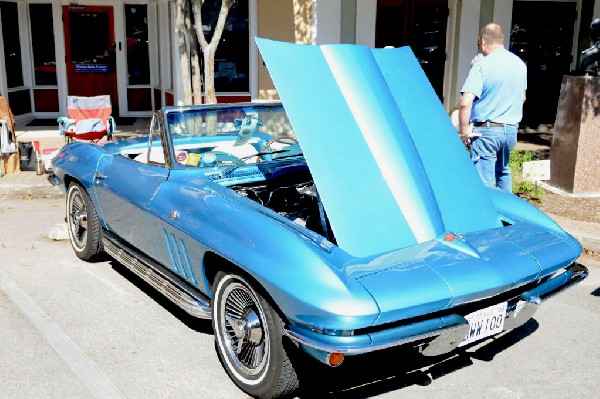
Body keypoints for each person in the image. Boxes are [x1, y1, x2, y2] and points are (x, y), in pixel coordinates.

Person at [458, 23, 527, 193]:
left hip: (487, 131)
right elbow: (522, 97)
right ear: (501, 40)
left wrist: (464, 132)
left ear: (482, 41)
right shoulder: (519, 64)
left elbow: (465, 102)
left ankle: (485, 217)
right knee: (503, 172)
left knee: (483, 182)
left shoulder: (482, 66)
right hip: (510, 131)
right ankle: (509, 214)